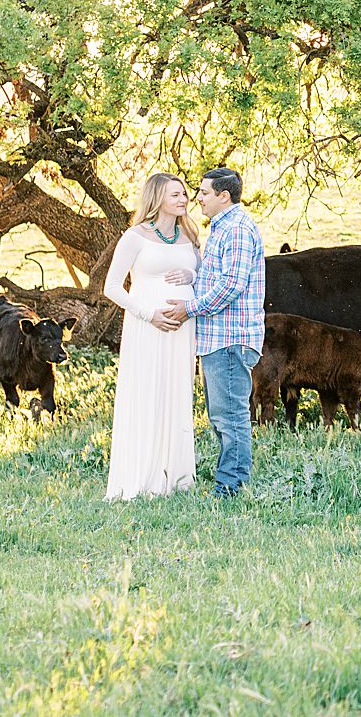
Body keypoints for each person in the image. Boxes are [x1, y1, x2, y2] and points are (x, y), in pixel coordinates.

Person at [154, 166, 265, 497]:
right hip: (219, 339)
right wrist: (193, 278)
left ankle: (229, 488)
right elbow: (219, 275)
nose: (196, 198)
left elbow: (232, 284)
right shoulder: (223, 227)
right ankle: (229, 482)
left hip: (231, 338)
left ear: (223, 196)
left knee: (230, 418)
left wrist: (189, 309)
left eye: (203, 192)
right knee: (221, 417)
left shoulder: (238, 230)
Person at [101, 174, 200, 500]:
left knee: (177, 394)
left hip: (181, 330)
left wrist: (192, 274)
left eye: (184, 194)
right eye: (175, 194)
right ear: (157, 198)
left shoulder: (190, 234)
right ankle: (142, 477)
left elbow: (201, 275)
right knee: (148, 395)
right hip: (147, 329)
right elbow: (112, 287)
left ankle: (177, 478)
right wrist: (149, 314)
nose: (183, 199)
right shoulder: (135, 237)